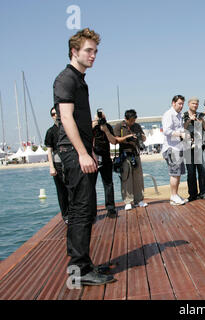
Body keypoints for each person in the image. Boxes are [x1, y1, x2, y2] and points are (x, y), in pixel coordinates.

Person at [54, 28, 115, 285]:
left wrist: (89, 149)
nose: (93, 55)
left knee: (87, 208)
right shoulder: (66, 79)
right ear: (74, 51)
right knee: (81, 209)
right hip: (72, 152)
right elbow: (65, 118)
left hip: (80, 150)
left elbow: (79, 122)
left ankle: (84, 263)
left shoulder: (80, 79)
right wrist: (81, 153)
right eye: (89, 50)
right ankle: (78, 270)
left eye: (96, 51)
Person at [113, 109, 148, 211]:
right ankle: (128, 201)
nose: (133, 122)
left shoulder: (136, 126)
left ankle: (139, 200)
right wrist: (128, 137)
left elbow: (144, 138)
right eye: (131, 120)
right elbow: (116, 139)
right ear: (126, 118)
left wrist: (139, 136)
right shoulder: (119, 126)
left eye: (134, 120)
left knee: (138, 179)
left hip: (136, 154)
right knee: (126, 179)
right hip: (124, 155)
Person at [162, 95, 189, 205]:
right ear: (173, 103)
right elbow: (166, 131)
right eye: (179, 103)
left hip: (178, 147)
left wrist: (184, 134)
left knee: (178, 173)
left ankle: (175, 194)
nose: (181, 106)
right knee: (174, 173)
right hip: (171, 148)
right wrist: (180, 134)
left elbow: (179, 129)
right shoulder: (169, 114)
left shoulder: (179, 115)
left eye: (182, 104)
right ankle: (173, 196)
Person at [44, 106, 69, 224]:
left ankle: (75, 213)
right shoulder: (50, 131)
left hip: (69, 162)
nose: (56, 116)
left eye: (57, 113)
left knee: (73, 189)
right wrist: (51, 167)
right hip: (57, 164)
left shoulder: (68, 128)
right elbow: (49, 151)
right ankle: (66, 215)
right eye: (53, 114)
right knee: (61, 191)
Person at [183, 97, 205, 201]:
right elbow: (182, 129)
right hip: (188, 147)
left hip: (200, 146)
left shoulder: (201, 115)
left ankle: (203, 192)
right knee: (191, 172)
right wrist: (190, 120)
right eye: (193, 103)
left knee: (203, 170)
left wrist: (201, 121)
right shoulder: (183, 116)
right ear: (189, 104)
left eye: (197, 104)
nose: (195, 105)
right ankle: (193, 194)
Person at [92, 109, 118, 217]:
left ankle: (110, 208)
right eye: (99, 118)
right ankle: (92, 210)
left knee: (108, 183)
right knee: (90, 185)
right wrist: (93, 126)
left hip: (106, 157)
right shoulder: (91, 127)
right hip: (93, 158)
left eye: (103, 118)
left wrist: (106, 130)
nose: (101, 120)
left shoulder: (108, 127)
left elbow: (113, 141)